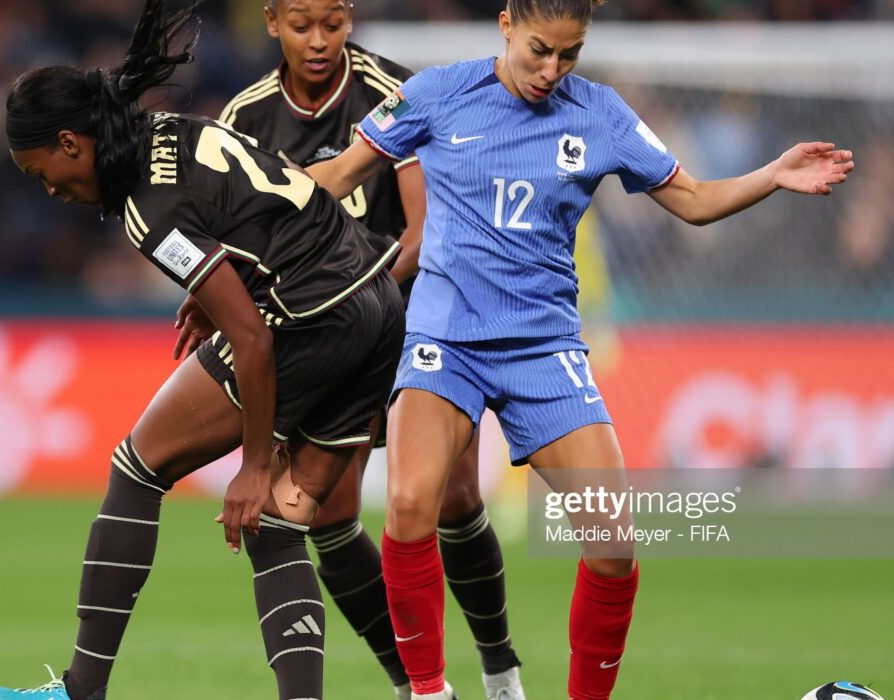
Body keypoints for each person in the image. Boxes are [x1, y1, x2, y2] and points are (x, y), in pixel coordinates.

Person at [306, 0, 856, 698]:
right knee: (412, 503)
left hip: (542, 348)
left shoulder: (599, 114)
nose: (551, 70)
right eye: (539, 50)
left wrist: (772, 175)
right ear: (506, 24)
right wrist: (237, 195)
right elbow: (339, 176)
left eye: (569, 55)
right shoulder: (436, 94)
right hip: (446, 335)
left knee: (614, 543)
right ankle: (429, 690)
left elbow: (691, 198)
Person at [0, 2, 406, 699]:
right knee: (281, 527)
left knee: (137, 469)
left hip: (311, 313)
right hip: (378, 304)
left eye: (41, 171)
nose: (49, 189)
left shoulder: (148, 209)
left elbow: (253, 337)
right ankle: (416, 687)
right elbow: (255, 219)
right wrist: (216, 290)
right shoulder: (171, 130)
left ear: (70, 141)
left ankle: (80, 691)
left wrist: (254, 464)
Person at [211, 2, 524, 698]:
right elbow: (235, 239)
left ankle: (500, 670)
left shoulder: (395, 95)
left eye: (332, 24)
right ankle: (415, 685)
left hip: (419, 320)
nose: (318, 42)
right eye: (301, 27)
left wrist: (348, 293)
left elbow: (424, 230)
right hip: (319, 338)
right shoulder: (245, 120)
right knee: (327, 517)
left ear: (349, 18)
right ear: (271, 24)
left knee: (454, 497)